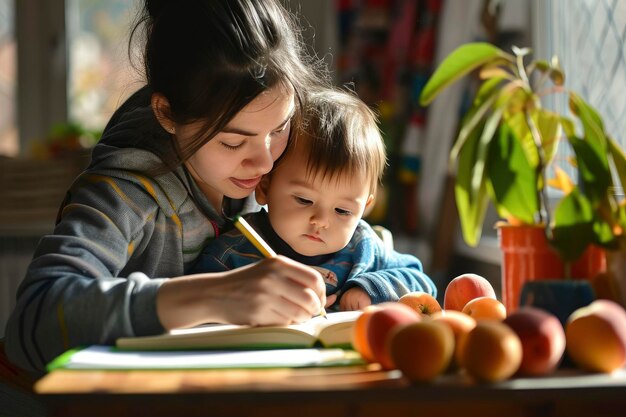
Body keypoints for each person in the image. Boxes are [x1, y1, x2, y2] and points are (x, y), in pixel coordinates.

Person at [4, 0, 332, 374]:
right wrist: (214, 296)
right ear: (166, 114)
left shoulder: (279, 162)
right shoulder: (124, 193)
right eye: (232, 142)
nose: (264, 161)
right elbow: (32, 322)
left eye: (279, 129)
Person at [191, 88, 436, 311]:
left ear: (364, 208)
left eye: (342, 210)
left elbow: (423, 284)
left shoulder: (364, 247)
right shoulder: (234, 251)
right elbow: (198, 302)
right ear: (265, 187)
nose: (320, 221)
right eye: (304, 200)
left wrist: (371, 288)